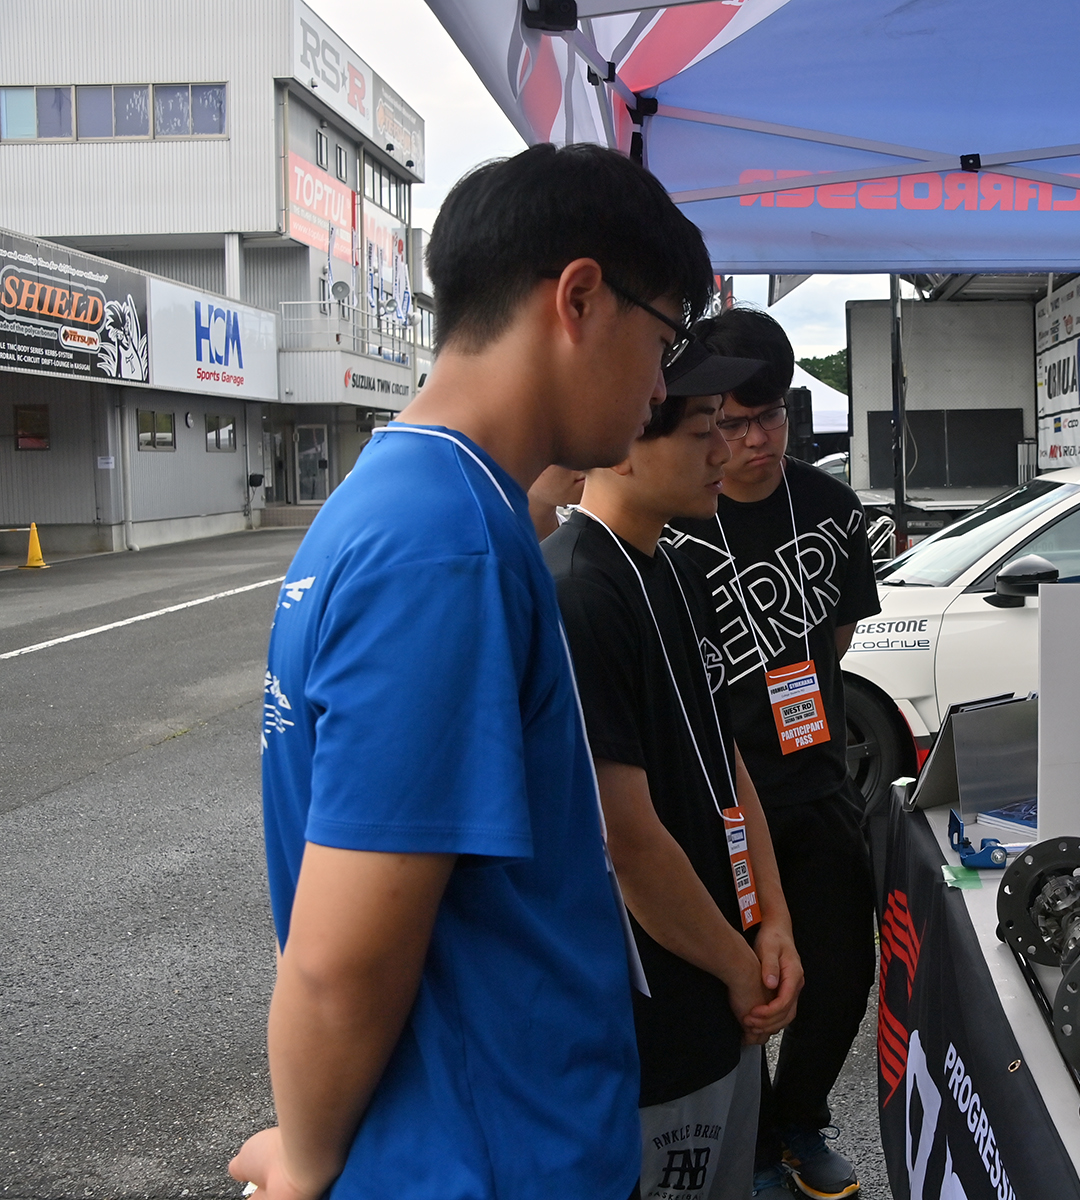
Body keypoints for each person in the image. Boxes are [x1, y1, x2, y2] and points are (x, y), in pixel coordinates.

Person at [233, 143, 713, 1200]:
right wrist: (305, 1160)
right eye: (666, 335)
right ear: (581, 298)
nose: (663, 386)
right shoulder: (440, 542)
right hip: (492, 1161)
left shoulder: (412, 499)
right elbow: (343, 958)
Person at [543, 354, 804, 1200]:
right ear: (623, 445)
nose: (723, 454)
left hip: (726, 985)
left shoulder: (681, 569)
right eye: (701, 435)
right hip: (654, 1015)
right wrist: (740, 968)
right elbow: (628, 838)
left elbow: (729, 763)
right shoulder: (578, 589)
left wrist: (774, 926)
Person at [664, 308, 882, 1200]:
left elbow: (832, 640)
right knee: (742, 982)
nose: (752, 442)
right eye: (733, 423)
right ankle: (745, 1141)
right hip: (719, 801)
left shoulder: (831, 509)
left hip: (816, 785)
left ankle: (798, 1121)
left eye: (770, 420)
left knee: (840, 973)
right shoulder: (677, 525)